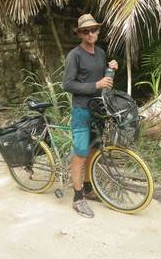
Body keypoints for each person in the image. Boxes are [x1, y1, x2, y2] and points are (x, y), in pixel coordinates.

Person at [63, 14, 118, 218]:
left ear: (98, 31)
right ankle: (78, 198)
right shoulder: (74, 55)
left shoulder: (101, 53)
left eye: (93, 30)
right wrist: (96, 85)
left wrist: (110, 69)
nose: (90, 33)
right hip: (81, 111)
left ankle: (87, 188)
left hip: (98, 109)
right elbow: (67, 84)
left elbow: (102, 77)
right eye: (86, 31)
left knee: (94, 150)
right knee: (80, 154)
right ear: (80, 34)